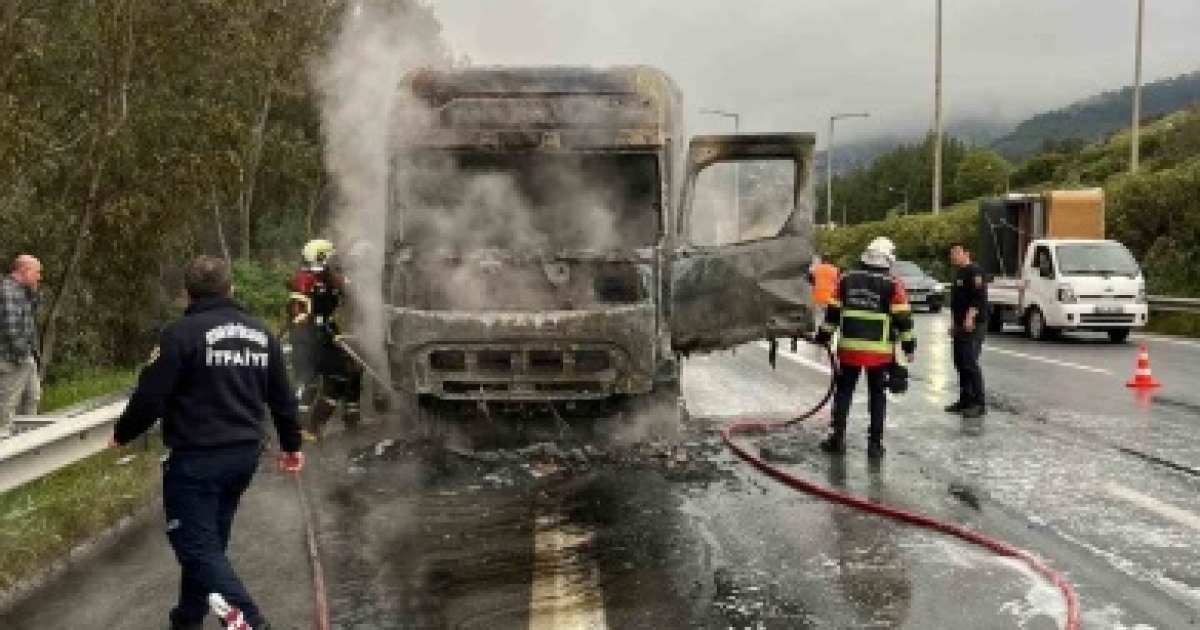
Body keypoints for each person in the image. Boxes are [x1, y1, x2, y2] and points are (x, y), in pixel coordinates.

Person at [110, 255, 302, 630]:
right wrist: (292, 445)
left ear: (187, 294)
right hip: (244, 457)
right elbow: (282, 398)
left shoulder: (180, 336)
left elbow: (150, 398)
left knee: (198, 549)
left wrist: (122, 434)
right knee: (209, 546)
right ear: (231, 289)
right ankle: (187, 620)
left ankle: (252, 622)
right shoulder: (262, 334)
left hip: (197, 462)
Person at [815, 236, 916, 459]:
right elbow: (904, 321)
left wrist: (823, 336)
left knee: (843, 393)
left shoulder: (845, 279)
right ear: (888, 259)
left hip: (849, 350)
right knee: (877, 396)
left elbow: (832, 314)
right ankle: (874, 445)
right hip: (879, 355)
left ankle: (836, 438)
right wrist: (910, 348)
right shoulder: (893, 284)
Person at [286, 238, 363, 437]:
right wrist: (313, 325)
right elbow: (297, 311)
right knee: (306, 383)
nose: (335, 259)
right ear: (320, 258)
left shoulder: (333, 278)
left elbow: (354, 295)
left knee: (338, 378)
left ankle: (314, 427)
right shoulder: (305, 279)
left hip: (328, 334)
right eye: (330, 256)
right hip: (305, 337)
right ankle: (294, 426)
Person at [0, 254, 42, 438]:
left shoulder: (23, 289)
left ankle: (27, 439)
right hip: (12, 358)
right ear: (24, 270)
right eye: (37, 272)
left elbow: (32, 311)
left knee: (33, 396)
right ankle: (4, 441)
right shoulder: (7, 291)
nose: (39, 276)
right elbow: (11, 329)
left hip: (25, 356)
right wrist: (22, 356)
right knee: (9, 402)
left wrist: (33, 290)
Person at [946, 242, 988, 419]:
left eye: (957, 252)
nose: (953, 256)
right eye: (951, 254)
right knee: (960, 362)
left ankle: (979, 403)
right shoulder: (959, 274)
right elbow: (957, 303)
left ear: (966, 253)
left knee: (970, 362)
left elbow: (978, 298)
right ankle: (965, 400)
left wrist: (970, 317)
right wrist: (954, 324)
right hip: (960, 325)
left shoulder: (975, 271)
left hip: (973, 324)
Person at [807, 253, 840, 331]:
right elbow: (838, 282)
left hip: (817, 296)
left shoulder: (816, 269)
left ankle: (815, 332)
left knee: (817, 316)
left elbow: (810, 280)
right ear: (830, 260)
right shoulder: (835, 270)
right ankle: (822, 335)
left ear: (822, 260)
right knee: (826, 319)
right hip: (830, 298)